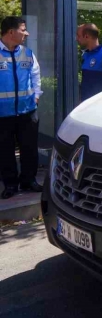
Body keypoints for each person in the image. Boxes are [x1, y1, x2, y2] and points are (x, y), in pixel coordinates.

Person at [0, 17, 41, 199]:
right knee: (5, 150)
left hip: (27, 112)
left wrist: (36, 97)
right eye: (23, 30)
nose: (27, 33)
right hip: (3, 115)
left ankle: (29, 180)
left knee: (30, 148)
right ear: (11, 32)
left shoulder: (28, 53)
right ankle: (10, 184)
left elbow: (36, 77)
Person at [77, 23, 102, 102]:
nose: (77, 38)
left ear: (87, 36)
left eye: (78, 36)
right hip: (86, 104)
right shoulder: (86, 55)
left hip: (99, 105)